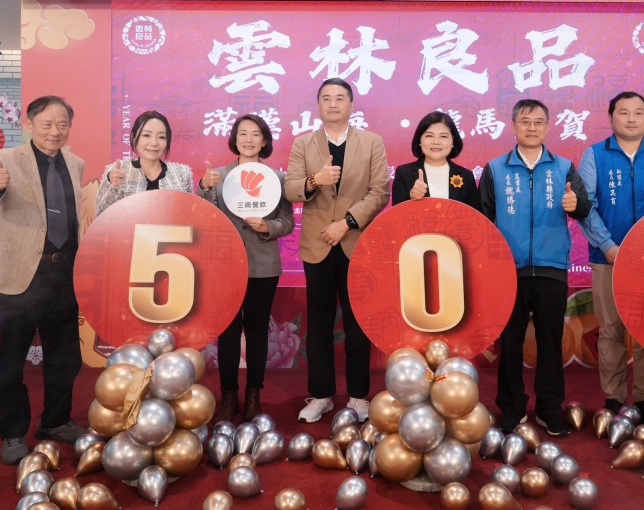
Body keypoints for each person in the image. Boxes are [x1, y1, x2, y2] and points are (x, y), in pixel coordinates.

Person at [0, 96, 87, 465]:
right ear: (29, 124)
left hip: (64, 273)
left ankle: (55, 421)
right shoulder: (4, 159)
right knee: (12, 360)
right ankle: (11, 432)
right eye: (47, 124)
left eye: (62, 124)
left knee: (65, 358)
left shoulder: (75, 163)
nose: (55, 131)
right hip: (21, 275)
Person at [479, 99, 592, 437]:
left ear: (547, 127)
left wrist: (575, 204)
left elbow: (584, 207)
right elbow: (483, 219)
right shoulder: (495, 169)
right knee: (510, 343)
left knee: (550, 341)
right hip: (508, 269)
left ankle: (549, 408)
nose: (532, 127)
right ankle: (512, 407)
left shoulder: (564, 167)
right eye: (525, 121)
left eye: (539, 121)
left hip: (551, 266)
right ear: (513, 126)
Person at [284, 78, 389, 423]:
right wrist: (316, 180)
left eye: (340, 98)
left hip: (356, 243)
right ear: (318, 105)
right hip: (317, 245)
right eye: (326, 98)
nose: (333, 104)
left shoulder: (371, 142)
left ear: (351, 105)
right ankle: (321, 396)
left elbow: (379, 191)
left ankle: (358, 396)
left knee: (358, 324)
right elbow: (291, 189)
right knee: (318, 324)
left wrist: (347, 222)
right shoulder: (303, 143)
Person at [577, 91, 644, 425]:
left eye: (638, 112)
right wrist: (607, 245)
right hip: (607, 256)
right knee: (610, 330)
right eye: (624, 112)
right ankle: (613, 395)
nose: (632, 118)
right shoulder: (594, 154)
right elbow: (585, 206)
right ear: (611, 117)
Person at [197, 114, 295, 423]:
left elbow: (288, 222)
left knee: (257, 332)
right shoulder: (218, 176)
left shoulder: (277, 178)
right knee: (227, 333)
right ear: (234, 138)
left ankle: (254, 396)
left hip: (263, 264)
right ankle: (228, 397)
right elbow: (203, 214)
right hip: (224, 265)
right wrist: (203, 186)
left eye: (255, 134)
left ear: (264, 141)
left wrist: (268, 226)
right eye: (243, 133)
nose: (249, 139)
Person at [95, 110, 193, 214]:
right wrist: (111, 185)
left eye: (161, 137)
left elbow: (190, 213)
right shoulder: (117, 170)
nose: (154, 143)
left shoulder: (182, 173)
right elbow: (101, 214)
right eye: (146, 135)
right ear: (133, 137)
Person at [392, 110, 480, 209]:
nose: (436, 142)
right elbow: (395, 214)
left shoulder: (466, 176)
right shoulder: (404, 173)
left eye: (443, 136)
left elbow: (475, 215)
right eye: (429, 136)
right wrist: (411, 197)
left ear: (453, 141)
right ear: (420, 140)